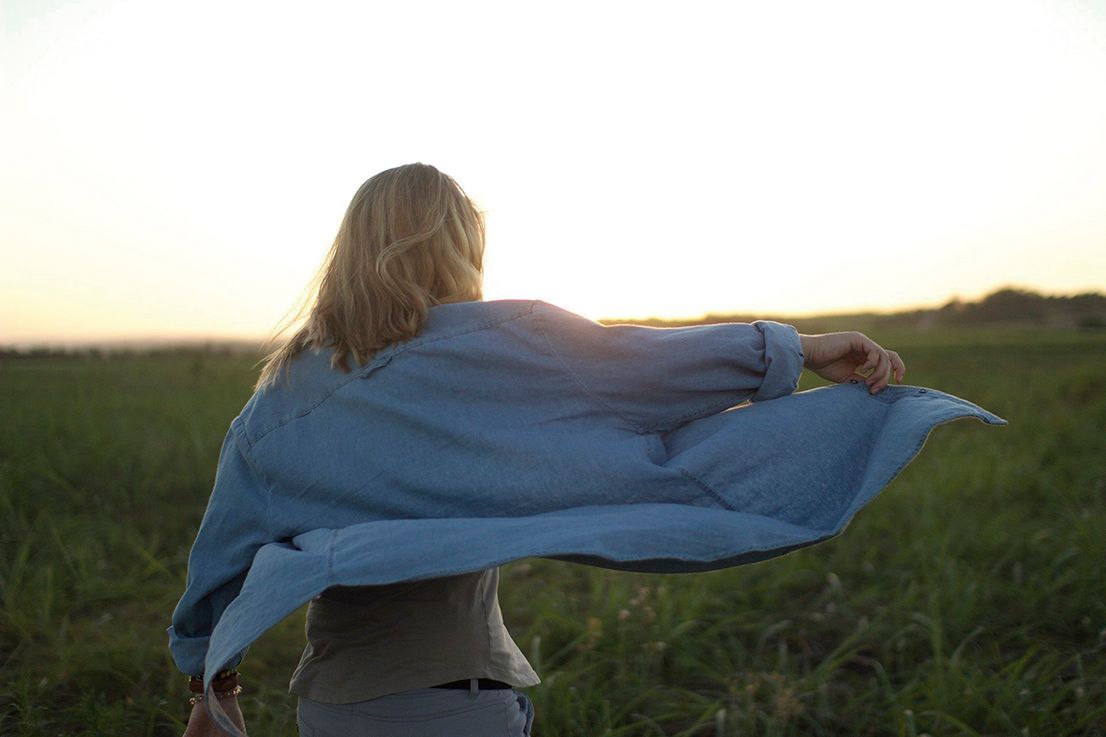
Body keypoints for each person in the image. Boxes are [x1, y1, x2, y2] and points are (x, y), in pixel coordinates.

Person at [171, 163, 1003, 737]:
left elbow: (217, 571)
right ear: (458, 248)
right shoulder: (502, 346)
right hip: (455, 706)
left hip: (330, 705)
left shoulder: (275, 404)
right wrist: (797, 348)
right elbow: (642, 363)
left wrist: (214, 688)